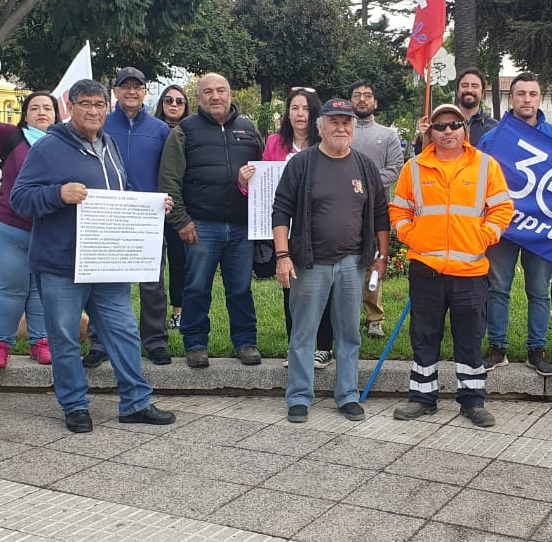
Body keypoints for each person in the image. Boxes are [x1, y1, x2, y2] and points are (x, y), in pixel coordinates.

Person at [11, 79, 176, 433]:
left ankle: (135, 402)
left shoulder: (109, 144)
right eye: (85, 104)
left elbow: (124, 190)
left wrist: (150, 205)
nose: (93, 111)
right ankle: (74, 405)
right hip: (61, 264)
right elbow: (20, 199)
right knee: (66, 337)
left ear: (107, 107)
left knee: (124, 331)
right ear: (70, 106)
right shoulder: (48, 148)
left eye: (99, 105)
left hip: (107, 261)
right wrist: (58, 194)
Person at [390, 103, 514, 427]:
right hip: (426, 270)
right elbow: (399, 210)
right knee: (424, 336)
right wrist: (410, 235)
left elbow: (502, 209)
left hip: (470, 271)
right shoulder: (413, 168)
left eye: (454, 125)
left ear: (465, 129)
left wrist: (484, 235)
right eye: (441, 126)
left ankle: (473, 401)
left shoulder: (486, 166)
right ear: (431, 131)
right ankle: (421, 398)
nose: (448, 131)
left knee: (470, 338)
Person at [271, 97, 389, 423]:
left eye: (346, 122)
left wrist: (381, 256)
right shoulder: (302, 164)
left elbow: (380, 213)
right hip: (310, 263)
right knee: (304, 332)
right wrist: (283, 256)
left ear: (353, 127)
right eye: (334, 121)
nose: (341, 127)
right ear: (320, 126)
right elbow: (280, 210)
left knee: (349, 334)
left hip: (353, 264)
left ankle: (347, 395)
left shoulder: (364, 166)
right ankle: (298, 396)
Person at [477, 72, 552, 376]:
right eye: (521, 94)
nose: (526, 99)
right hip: (504, 226)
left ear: (539, 98)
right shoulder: (493, 137)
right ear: (512, 98)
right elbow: (479, 178)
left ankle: (536, 348)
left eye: (532, 94)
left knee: (539, 290)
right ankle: (497, 347)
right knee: (497, 287)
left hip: (541, 229)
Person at [159, 73, 265, 369]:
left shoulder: (247, 129)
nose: (215, 96)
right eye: (208, 92)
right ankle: (195, 344)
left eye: (221, 90)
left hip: (242, 227)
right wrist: (181, 221)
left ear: (230, 94)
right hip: (201, 225)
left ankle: (246, 342)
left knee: (241, 288)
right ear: (199, 98)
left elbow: (265, 171)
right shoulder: (184, 131)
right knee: (196, 287)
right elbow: (169, 179)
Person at [238, 88, 335, 369]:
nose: (300, 114)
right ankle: (296, 347)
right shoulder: (274, 143)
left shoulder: (324, 142)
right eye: (294, 108)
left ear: (314, 113)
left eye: (305, 108)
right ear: (287, 112)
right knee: (290, 287)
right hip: (285, 229)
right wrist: (246, 183)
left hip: (319, 227)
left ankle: (324, 347)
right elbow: (264, 188)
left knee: (322, 287)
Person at [83, 67, 174, 367]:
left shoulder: (161, 130)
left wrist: (167, 198)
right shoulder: (102, 124)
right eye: (126, 86)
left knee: (152, 282)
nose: (132, 91)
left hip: (147, 217)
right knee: (104, 282)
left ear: (145, 92)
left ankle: (156, 340)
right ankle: (99, 342)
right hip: (109, 215)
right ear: (116, 92)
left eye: (138, 86)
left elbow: (169, 172)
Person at [0, 58, 52, 369]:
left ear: (56, 114)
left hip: (47, 230)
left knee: (38, 289)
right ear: (25, 114)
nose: (41, 112)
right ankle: (1, 345)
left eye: (47, 108)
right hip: (10, 228)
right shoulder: (11, 137)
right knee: (14, 287)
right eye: (34, 108)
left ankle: (40, 342)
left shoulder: (63, 142)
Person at [347, 80, 404, 340]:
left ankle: (374, 318)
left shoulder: (388, 135)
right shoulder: (341, 131)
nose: (362, 99)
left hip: (375, 209)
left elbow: (394, 169)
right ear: (350, 101)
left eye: (367, 96)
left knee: (373, 261)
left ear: (375, 103)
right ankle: (344, 314)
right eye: (357, 95)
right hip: (342, 209)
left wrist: (359, 185)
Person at [154, 84, 189, 331]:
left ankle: (179, 311)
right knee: (152, 265)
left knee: (179, 262)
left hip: (178, 205)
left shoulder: (192, 131)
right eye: (169, 100)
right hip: (151, 204)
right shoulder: (152, 129)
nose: (174, 104)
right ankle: (153, 318)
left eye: (179, 101)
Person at [415, 68, 500, 151]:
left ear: (482, 93)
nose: (469, 90)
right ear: (457, 91)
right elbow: (422, 157)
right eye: (464, 85)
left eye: (475, 86)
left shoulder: (494, 128)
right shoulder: (438, 124)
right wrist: (422, 139)